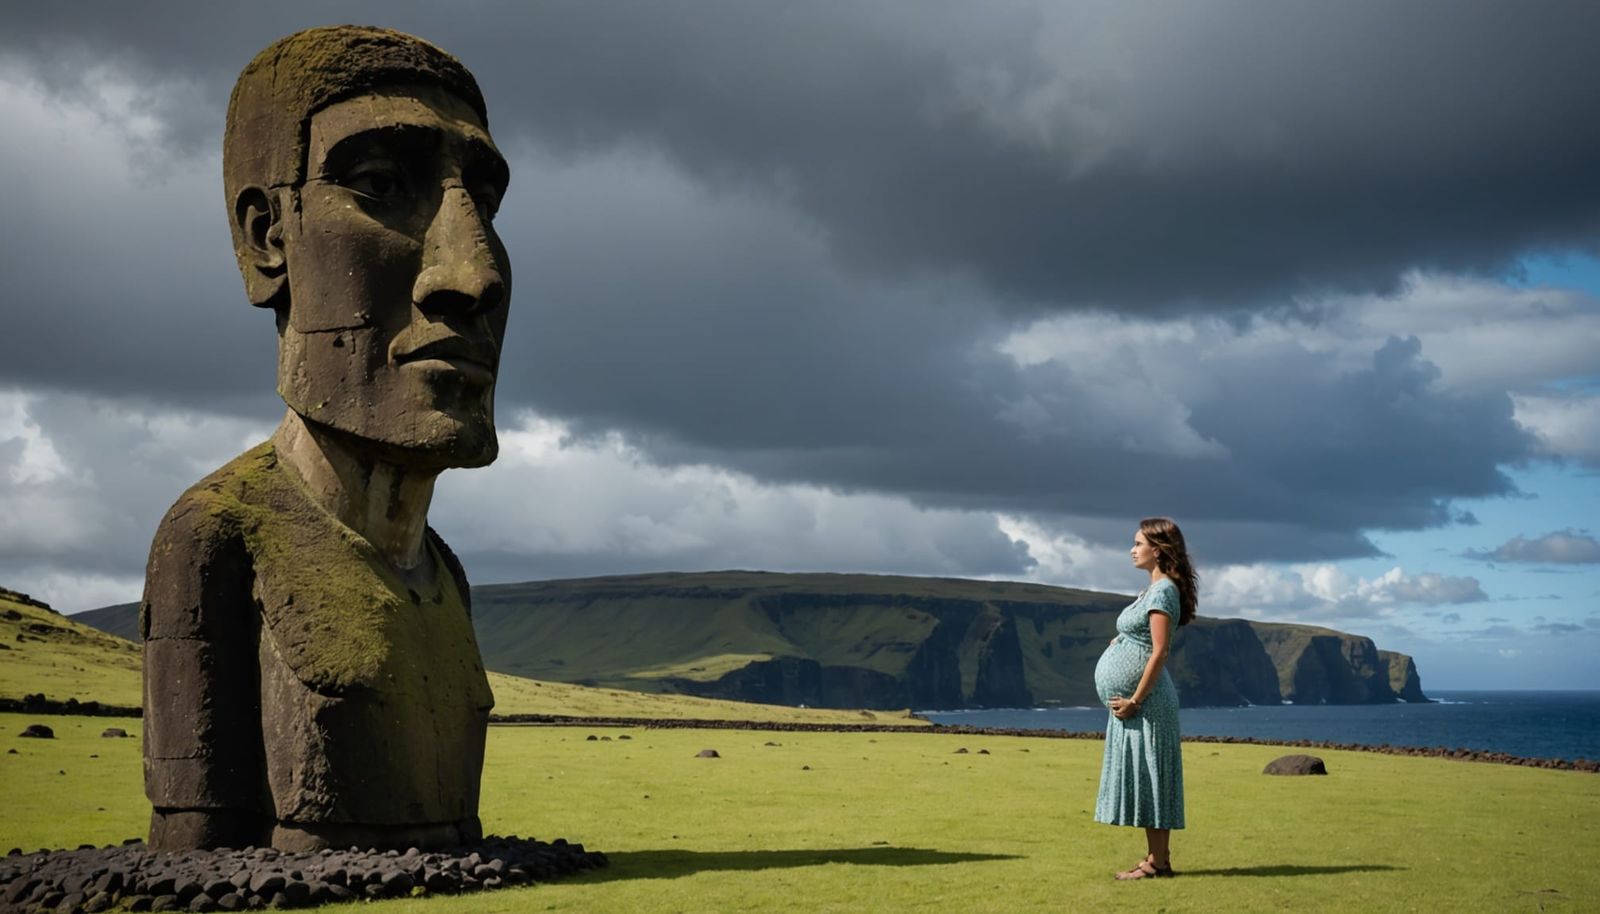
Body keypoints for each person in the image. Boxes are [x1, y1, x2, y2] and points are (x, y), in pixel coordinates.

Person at [140, 25, 510, 851]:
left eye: (482, 203)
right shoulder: (216, 537)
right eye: (379, 183)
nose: (472, 273)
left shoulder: (443, 568)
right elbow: (196, 859)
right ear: (269, 237)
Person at [1092, 516, 1198, 879]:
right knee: (1147, 778)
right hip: (1138, 707)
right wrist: (1120, 642)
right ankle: (1158, 862)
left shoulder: (1164, 591)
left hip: (1148, 706)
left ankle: (1156, 864)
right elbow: (1142, 640)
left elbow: (1160, 652)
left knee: (1154, 779)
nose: (1132, 550)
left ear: (1159, 549)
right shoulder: (1152, 590)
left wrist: (1135, 700)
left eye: (1138, 543)